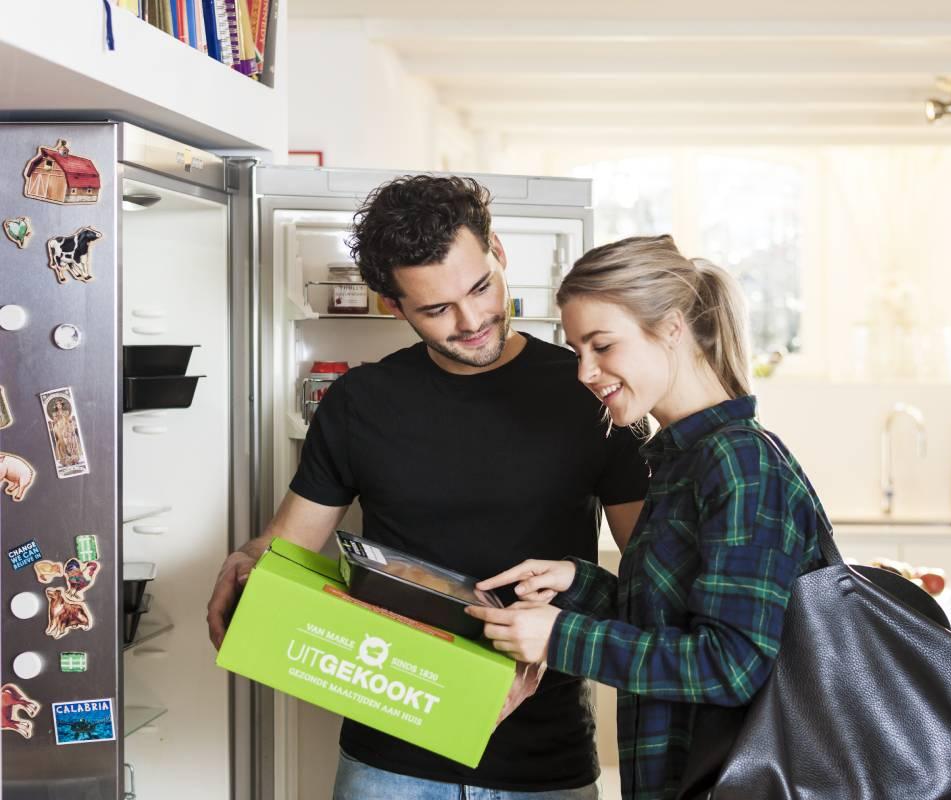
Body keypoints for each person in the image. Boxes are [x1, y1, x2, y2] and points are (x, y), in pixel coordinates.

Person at [205, 175, 648, 800]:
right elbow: (288, 548)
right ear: (393, 305)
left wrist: (564, 626)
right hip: (389, 760)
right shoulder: (360, 402)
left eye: (481, 287)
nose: (471, 321)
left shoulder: (589, 394)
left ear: (498, 252)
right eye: (436, 309)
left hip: (545, 758)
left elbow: (652, 580)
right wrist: (250, 565)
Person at [466, 235, 828, 800]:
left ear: (673, 327)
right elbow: (678, 625)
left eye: (602, 345)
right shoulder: (685, 459)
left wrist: (559, 635)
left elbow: (731, 664)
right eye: (577, 349)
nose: (585, 371)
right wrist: (576, 583)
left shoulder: (740, 463)